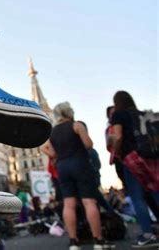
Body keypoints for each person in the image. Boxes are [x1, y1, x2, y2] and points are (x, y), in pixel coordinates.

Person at [41, 102, 114, 250]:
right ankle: (98, 240)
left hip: (62, 167)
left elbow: (44, 147)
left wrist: (54, 155)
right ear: (69, 112)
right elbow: (88, 144)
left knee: (68, 204)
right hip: (80, 164)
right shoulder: (76, 125)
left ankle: (74, 241)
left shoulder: (53, 132)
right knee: (89, 202)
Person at [111, 91, 159, 247]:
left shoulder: (118, 114)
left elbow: (118, 136)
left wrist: (117, 152)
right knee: (155, 191)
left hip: (132, 157)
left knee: (137, 197)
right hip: (150, 156)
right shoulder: (140, 113)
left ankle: (147, 234)